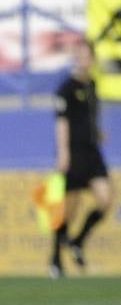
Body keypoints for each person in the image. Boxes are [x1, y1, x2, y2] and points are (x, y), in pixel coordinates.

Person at [49, 40, 112, 277]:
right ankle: (55, 259)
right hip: (73, 153)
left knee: (106, 199)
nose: (83, 60)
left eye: (86, 56)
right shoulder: (66, 88)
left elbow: (92, 115)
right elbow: (62, 122)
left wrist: (97, 131)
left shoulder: (92, 85)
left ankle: (77, 241)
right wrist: (63, 152)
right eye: (79, 56)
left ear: (92, 59)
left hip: (92, 151)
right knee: (69, 210)